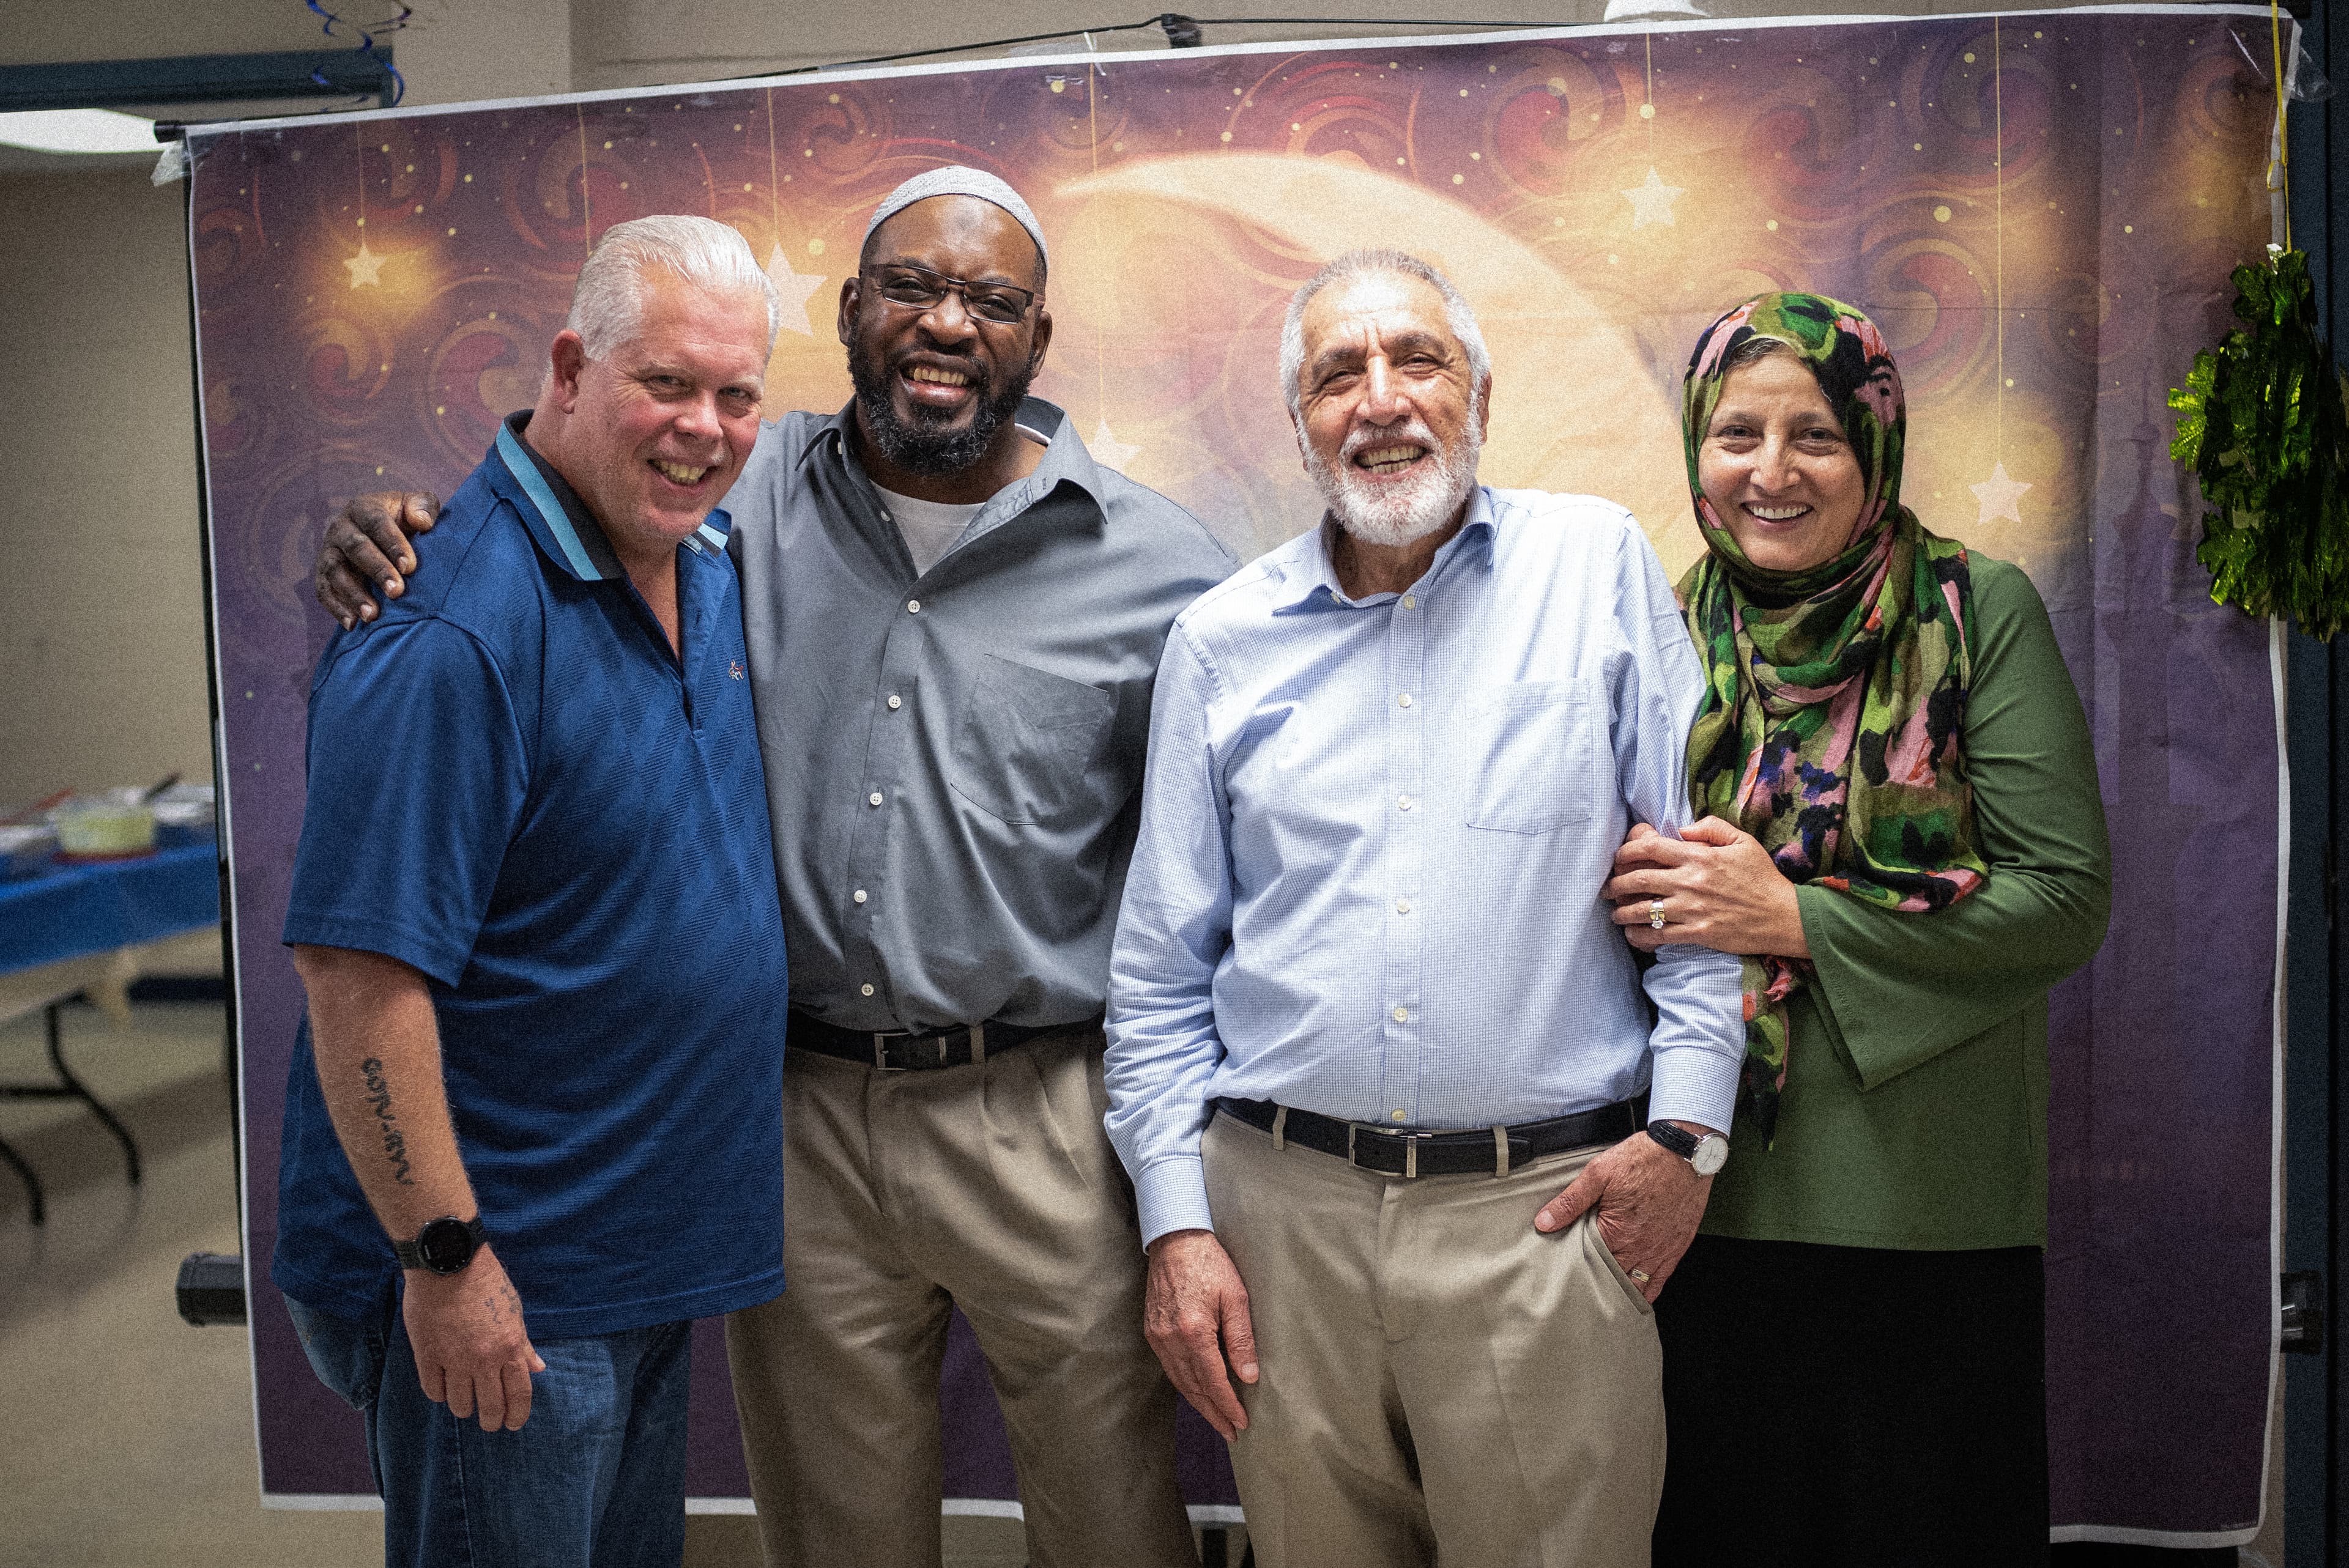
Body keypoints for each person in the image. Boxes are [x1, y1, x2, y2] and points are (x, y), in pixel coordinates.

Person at [312, 168, 1233, 1568]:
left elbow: (1208, 877)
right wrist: (387, 524)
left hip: (1038, 1109)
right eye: (910, 286)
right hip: (786, 1122)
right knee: (831, 1522)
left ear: (1037, 339)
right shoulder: (735, 500)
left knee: (1111, 1508)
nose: (944, 321)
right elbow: (542, 507)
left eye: (989, 298)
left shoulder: (1166, 567)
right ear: (853, 311)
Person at [1103, 247, 1746, 1567]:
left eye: (1419, 361)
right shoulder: (1221, 641)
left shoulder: (1597, 571)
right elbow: (1162, 972)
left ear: (1483, 397)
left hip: (1543, 1227)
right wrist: (1177, 1223)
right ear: (1299, 425)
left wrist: (1688, 1136)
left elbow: (1698, 881)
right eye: (1338, 375)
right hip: (1279, 1239)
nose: (1380, 399)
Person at [273, 215, 789, 1567]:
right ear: (569, 367)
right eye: (666, 383)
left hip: (626, 1255)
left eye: (738, 395)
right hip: (503, 1276)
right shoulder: (449, 627)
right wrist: (445, 1262)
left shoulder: (703, 564)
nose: (706, 427)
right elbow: (357, 977)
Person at [1600, 293, 2112, 1566]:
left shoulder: (1976, 610)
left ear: (1875, 444)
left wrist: (1796, 915)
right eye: (1737, 435)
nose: (1771, 473)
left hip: (1925, 1209)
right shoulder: (1657, 628)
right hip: (1704, 1202)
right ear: (1694, 449)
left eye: (1815, 436)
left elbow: (2063, 894)